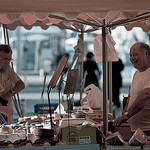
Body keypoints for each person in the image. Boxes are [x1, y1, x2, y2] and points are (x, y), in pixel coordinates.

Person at [113, 42, 150, 134]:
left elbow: (145, 95)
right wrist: (125, 110)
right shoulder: (136, 73)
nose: (132, 58)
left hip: (148, 130)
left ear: (146, 54)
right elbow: (131, 94)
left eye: (135, 55)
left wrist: (127, 115)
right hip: (136, 130)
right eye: (130, 55)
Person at [0, 44, 25, 124]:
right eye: (5, 59)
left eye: (9, 60)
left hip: (6, 114)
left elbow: (21, 84)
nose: (8, 62)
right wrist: (2, 109)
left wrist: (9, 94)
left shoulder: (7, 69)